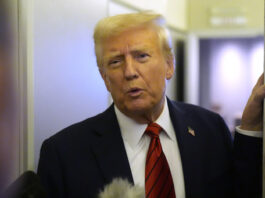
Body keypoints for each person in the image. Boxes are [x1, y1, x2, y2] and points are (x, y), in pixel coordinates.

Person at [37, 12, 263, 198]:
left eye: (141, 56)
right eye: (115, 62)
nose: (129, 72)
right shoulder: (63, 154)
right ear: (105, 77)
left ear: (169, 65)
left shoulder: (209, 129)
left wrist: (251, 126)